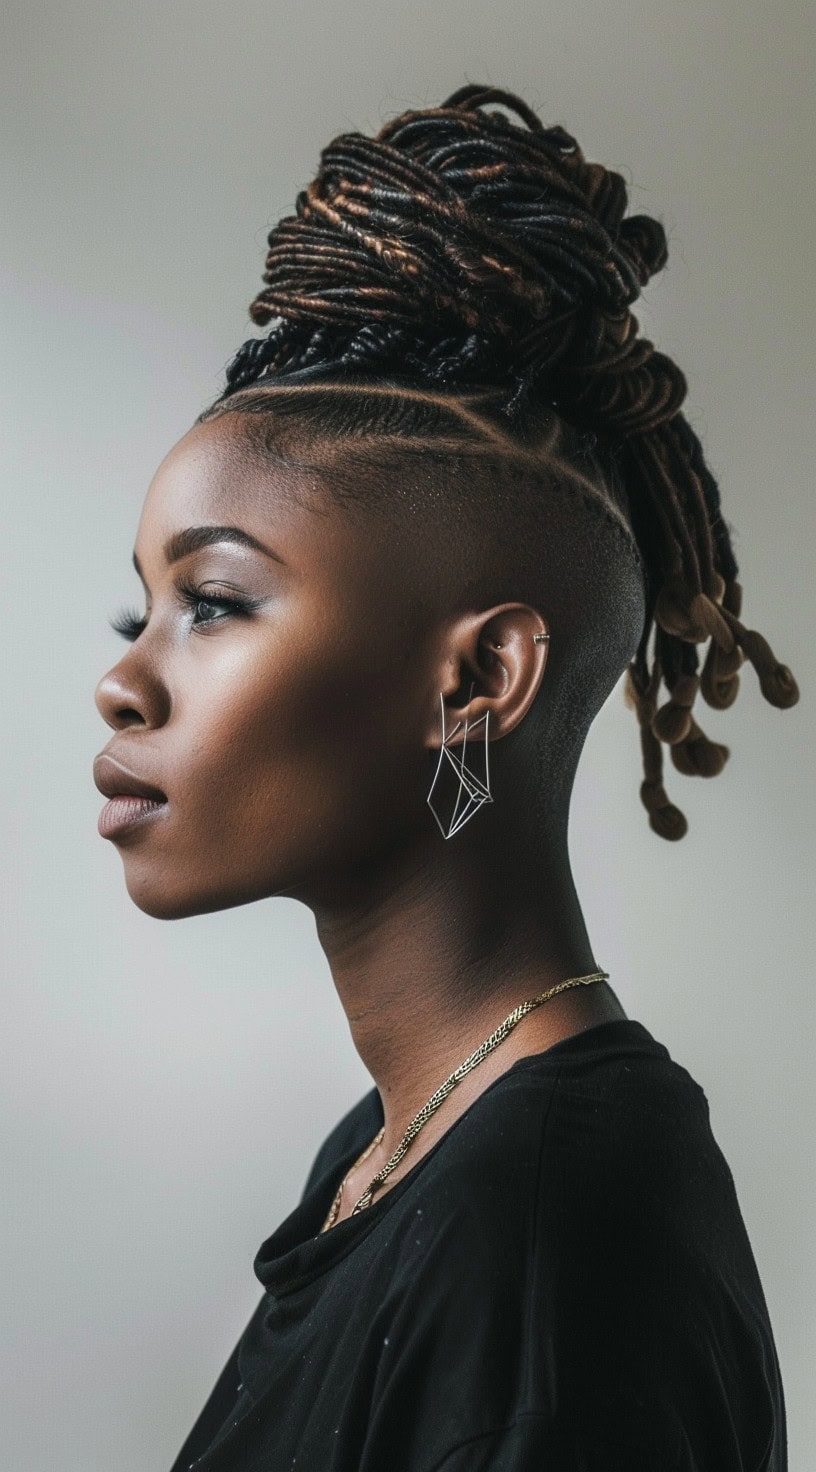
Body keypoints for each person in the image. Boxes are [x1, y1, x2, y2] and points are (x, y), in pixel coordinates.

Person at [92, 84, 796, 1470]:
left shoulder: (547, 1237)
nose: (126, 679)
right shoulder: (402, 1150)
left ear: (479, 682)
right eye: (142, 612)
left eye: (218, 602)